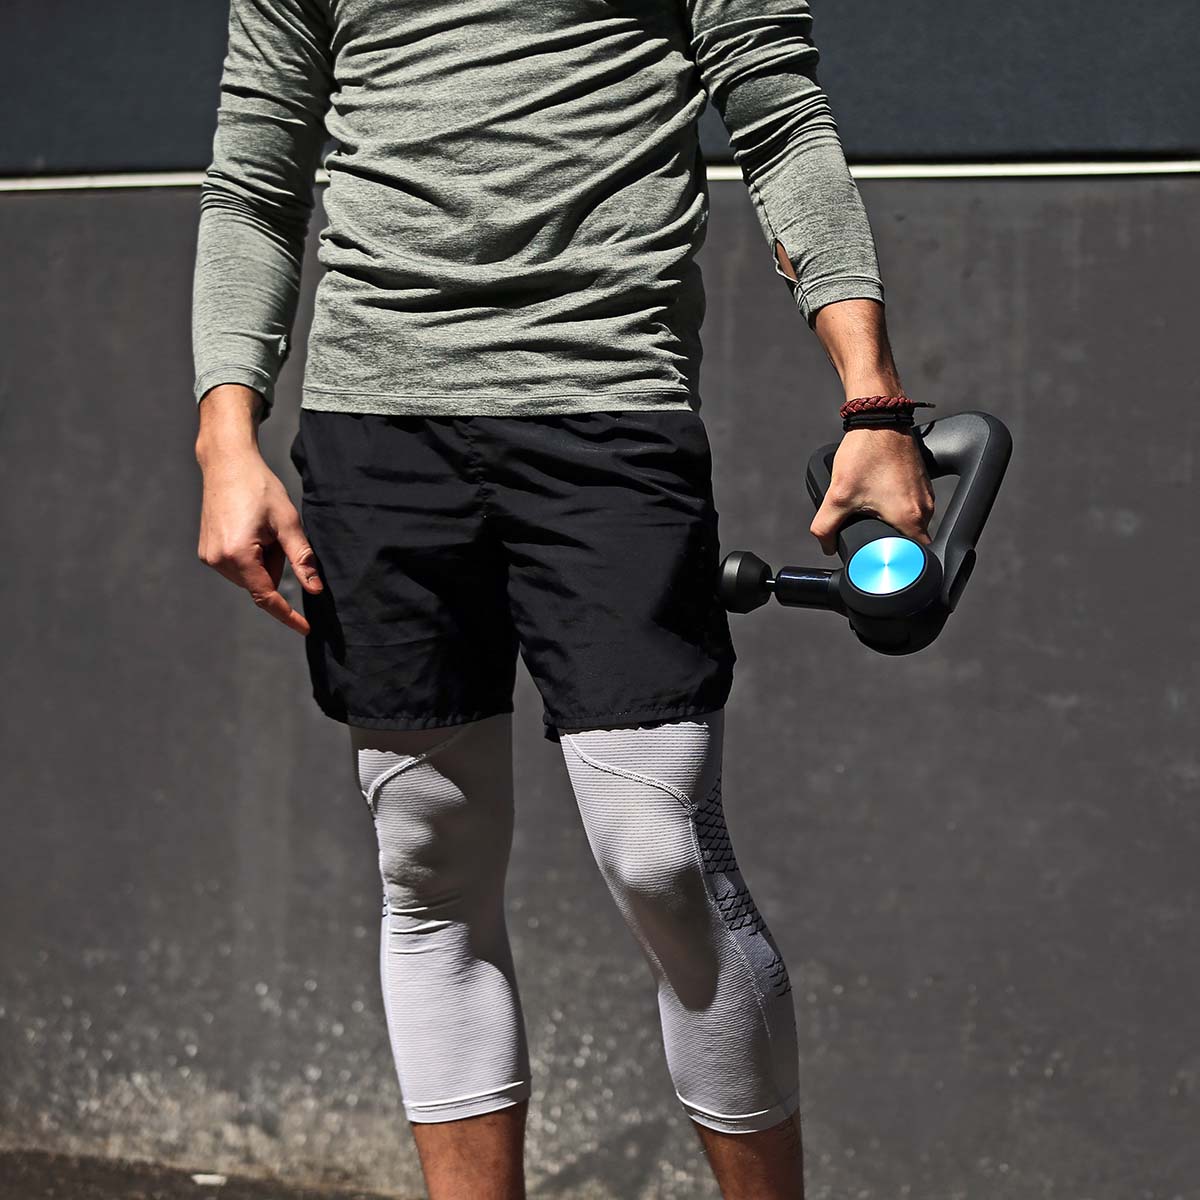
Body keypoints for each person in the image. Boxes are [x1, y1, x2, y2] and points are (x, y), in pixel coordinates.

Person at [191, 0, 934, 1196]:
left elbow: (780, 117)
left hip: (607, 399)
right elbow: (254, 178)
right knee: (427, 857)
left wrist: (875, 399)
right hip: (376, 420)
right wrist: (227, 433)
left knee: (659, 855)